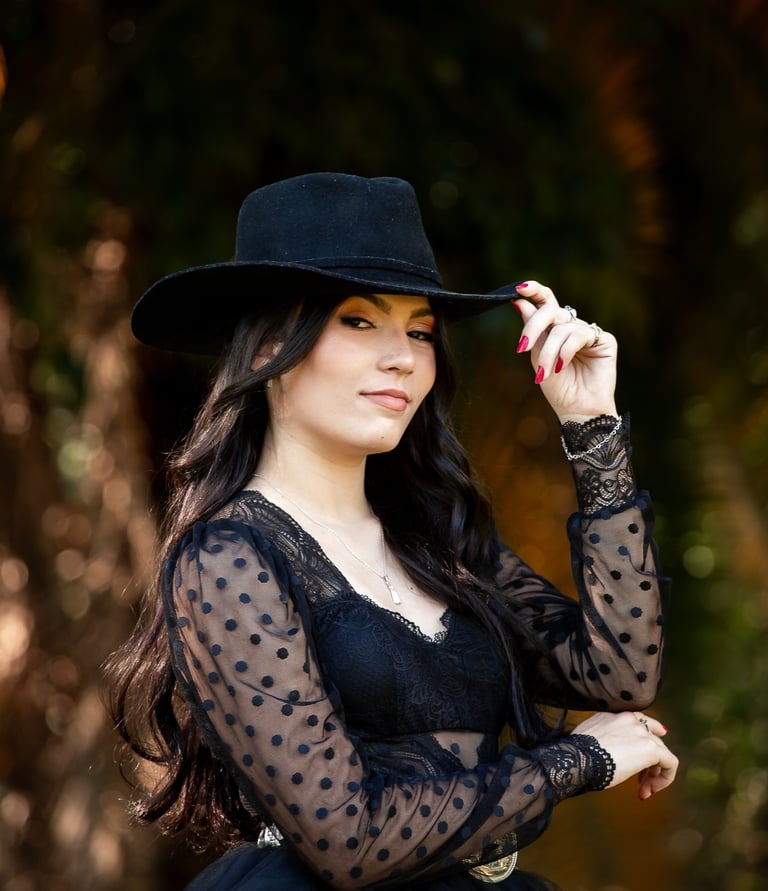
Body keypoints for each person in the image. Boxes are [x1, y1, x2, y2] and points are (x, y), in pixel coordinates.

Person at [108, 172, 676, 891]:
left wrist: (592, 428)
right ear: (265, 348)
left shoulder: (438, 539)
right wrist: (577, 762)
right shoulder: (227, 558)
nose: (402, 357)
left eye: (420, 331)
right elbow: (348, 839)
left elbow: (620, 674)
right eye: (358, 321)